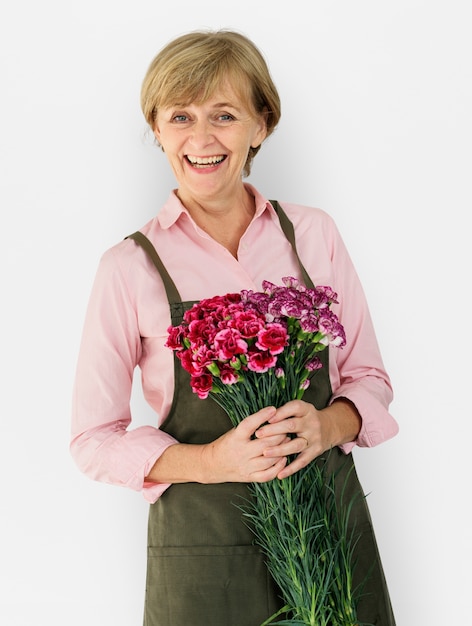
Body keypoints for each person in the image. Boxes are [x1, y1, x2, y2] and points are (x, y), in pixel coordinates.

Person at [71, 29, 399, 625]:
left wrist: (328, 424)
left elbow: (370, 376)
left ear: (261, 125)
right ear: (157, 129)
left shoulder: (314, 236)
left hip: (325, 529)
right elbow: (92, 440)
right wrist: (211, 462)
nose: (201, 138)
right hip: (203, 547)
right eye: (180, 116)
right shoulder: (128, 267)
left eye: (224, 114)